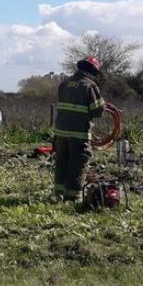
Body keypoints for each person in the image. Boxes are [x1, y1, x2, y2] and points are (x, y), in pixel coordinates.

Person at [53, 55, 105, 201]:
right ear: (93, 71)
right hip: (78, 132)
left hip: (61, 132)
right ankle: (72, 197)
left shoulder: (65, 83)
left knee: (62, 162)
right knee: (77, 163)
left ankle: (58, 193)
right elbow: (98, 110)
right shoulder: (89, 85)